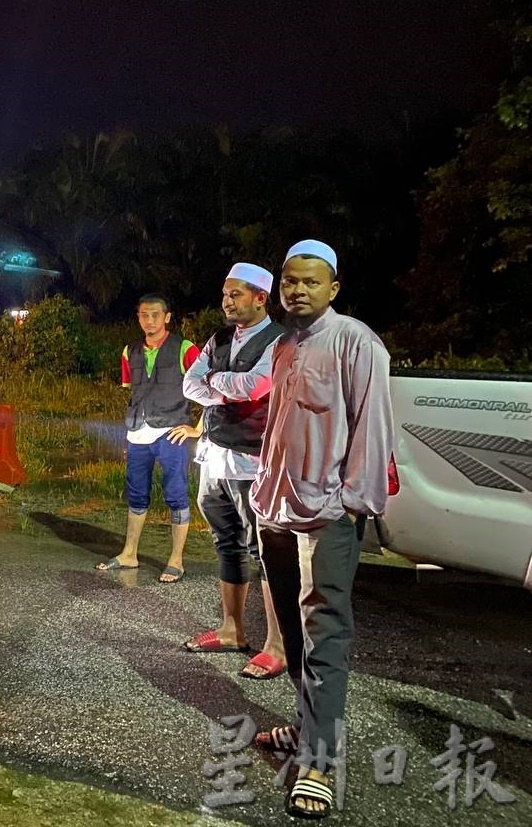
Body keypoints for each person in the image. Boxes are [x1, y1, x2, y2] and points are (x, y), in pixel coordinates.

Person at [249, 240, 393, 819]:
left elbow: (373, 426)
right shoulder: (284, 345)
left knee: (325, 633)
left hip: (329, 511)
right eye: (290, 282)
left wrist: (355, 502)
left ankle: (320, 763)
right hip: (277, 509)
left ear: (333, 289)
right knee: (290, 628)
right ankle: (308, 729)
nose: (298, 290)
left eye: (311, 282)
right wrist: (262, 491)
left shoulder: (357, 342)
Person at [180, 263, 287, 681]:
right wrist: (226, 384)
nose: (227, 301)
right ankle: (232, 630)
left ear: (261, 298)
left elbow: (256, 387)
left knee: (266, 553)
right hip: (213, 455)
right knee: (226, 542)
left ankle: (276, 645)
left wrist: (215, 384)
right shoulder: (219, 337)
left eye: (236, 294)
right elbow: (190, 385)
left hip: (254, 460)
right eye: (225, 294)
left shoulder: (279, 340)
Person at [97, 294, 201, 582]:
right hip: (138, 433)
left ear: (167, 317)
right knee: (136, 493)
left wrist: (198, 428)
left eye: (156, 315)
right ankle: (129, 554)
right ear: (138, 317)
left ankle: (176, 560)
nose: (150, 321)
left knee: (175, 494)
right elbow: (133, 392)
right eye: (144, 315)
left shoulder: (185, 349)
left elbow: (211, 389)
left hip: (172, 432)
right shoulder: (129, 351)